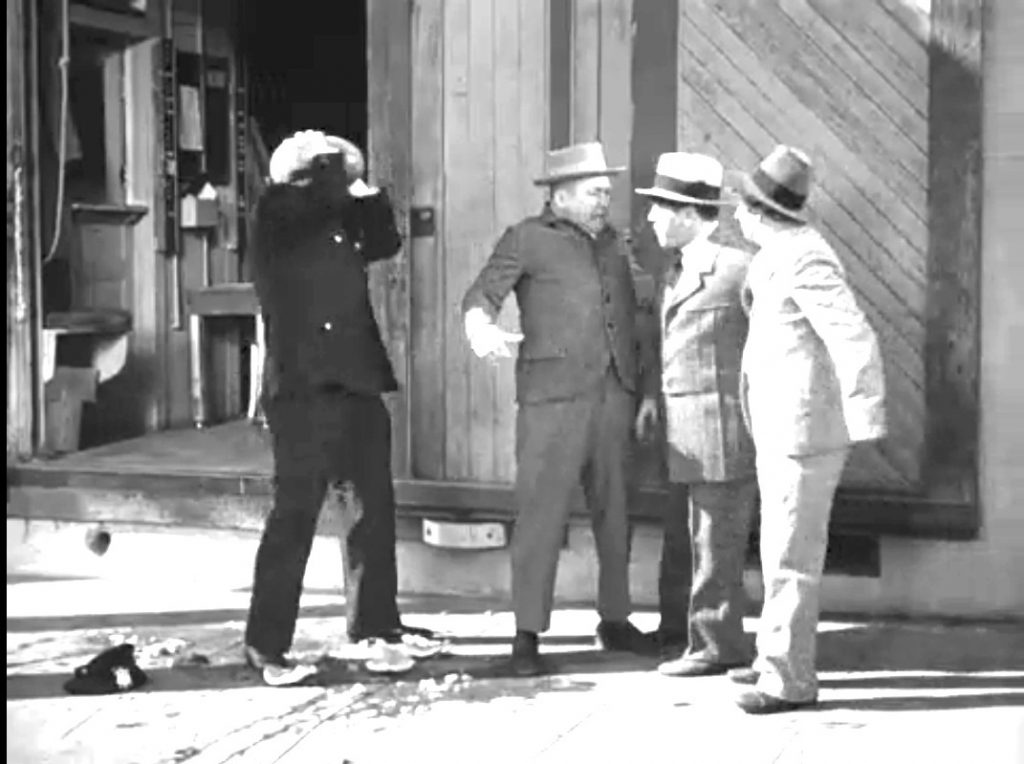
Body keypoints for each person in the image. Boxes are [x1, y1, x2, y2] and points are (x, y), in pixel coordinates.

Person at [243, 130, 442, 686]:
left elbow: (385, 240)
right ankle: (265, 645)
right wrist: (338, 168)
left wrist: (362, 185)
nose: (340, 176)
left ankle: (375, 625)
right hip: (302, 391)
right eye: (327, 168)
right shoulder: (278, 212)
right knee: (295, 515)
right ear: (309, 175)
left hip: (355, 383)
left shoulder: (333, 217)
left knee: (370, 510)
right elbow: (317, 197)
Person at [462, 142, 652, 676]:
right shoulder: (527, 239)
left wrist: (647, 394)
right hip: (552, 401)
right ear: (561, 196)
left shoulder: (619, 245)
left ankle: (614, 619)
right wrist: (480, 328)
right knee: (540, 517)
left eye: (607, 194)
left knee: (616, 515)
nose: (602, 203)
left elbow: (640, 317)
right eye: (594, 193)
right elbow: (482, 293)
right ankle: (527, 632)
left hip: (615, 397)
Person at [731, 145, 887, 713]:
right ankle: (773, 659)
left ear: (761, 210)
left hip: (803, 434)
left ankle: (787, 681)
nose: (736, 215)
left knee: (791, 557)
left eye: (742, 206)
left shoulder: (804, 258)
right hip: (780, 428)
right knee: (779, 550)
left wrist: (865, 409)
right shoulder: (777, 253)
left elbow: (852, 333)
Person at [633, 152, 759, 674]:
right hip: (681, 432)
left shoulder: (738, 271)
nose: (650, 219)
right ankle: (689, 636)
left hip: (723, 431)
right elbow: (666, 343)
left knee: (716, 542)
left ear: (688, 213)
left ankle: (716, 647)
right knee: (690, 538)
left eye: (659, 209)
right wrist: (648, 399)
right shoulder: (674, 270)